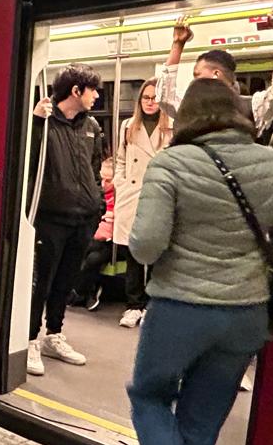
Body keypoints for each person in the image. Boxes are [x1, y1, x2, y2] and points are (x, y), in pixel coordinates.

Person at [126, 79, 273, 445]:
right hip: (246, 312)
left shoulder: (172, 163)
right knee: (202, 417)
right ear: (239, 113)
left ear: (187, 116)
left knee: (148, 397)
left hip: (180, 309)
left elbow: (145, 243)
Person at [27, 65, 105, 376]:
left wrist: (96, 205)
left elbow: (95, 169)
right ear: (75, 91)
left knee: (66, 282)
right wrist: (34, 121)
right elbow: (28, 161)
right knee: (42, 283)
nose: (97, 95)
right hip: (51, 217)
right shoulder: (44, 123)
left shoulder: (92, 128)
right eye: (92, 90)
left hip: (83, 217)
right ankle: (30, 338)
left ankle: (53, 335)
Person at [154, 8, 273, 138]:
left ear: (216, 74)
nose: (194, 82)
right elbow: (165, 98)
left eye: (197, 75)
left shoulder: (251, 107)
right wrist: (177, 45)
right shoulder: (191, 106)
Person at [114, 79, 173, 328]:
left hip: (159, 194)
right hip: (132, 194)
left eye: (154, 97)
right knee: (133, 253)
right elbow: (120, 158)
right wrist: (121, 182)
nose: (150, 102)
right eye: (146, 98)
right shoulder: (128, 125)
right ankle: (133, 305)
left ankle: (154, 305)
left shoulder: (172, 128)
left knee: (159, 253)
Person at [72, 156, 116, 311]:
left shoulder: (121, 199)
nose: (104, 184)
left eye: (108, 180)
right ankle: (81, 292)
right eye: (102, 179)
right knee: (81, 251)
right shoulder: (97, 195)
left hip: (114, 239)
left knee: (93, 258)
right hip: (98, 234)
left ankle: (80, 293)